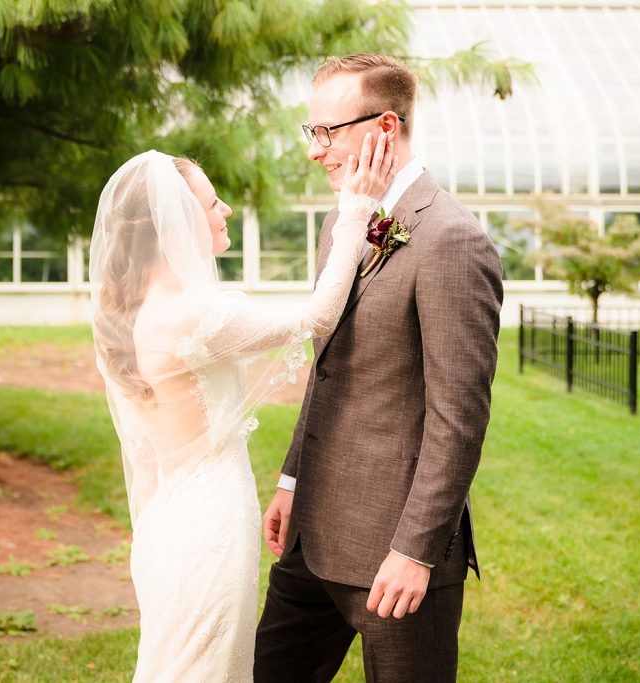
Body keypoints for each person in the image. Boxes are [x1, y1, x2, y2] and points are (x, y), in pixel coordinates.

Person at [88, 141, 397, 682]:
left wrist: (149, 521)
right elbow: (320, 315)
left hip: (167, 523)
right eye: (213, 203)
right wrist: (355, 210)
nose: (225, 210)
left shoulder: (131, 313)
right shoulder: (193, 314)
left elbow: (143, 449)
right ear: (175, 225)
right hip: (208, 525)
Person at [254, 53, 504, 682]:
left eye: (328, 132)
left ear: (385, 128)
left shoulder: (453, 239)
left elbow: (459, 418)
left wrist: (415, 551)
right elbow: (327, 367)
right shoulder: (341, 224)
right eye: (313, 133)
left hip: (394, 558)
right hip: (310, 538)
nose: (316, 151)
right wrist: (290, 480)